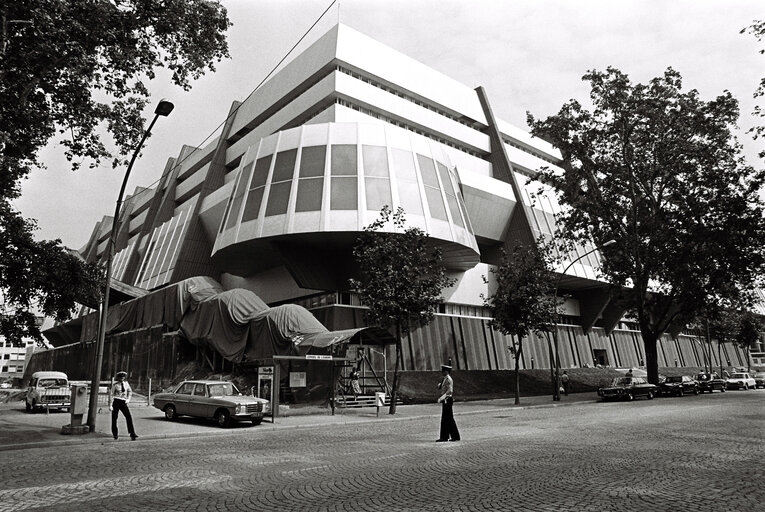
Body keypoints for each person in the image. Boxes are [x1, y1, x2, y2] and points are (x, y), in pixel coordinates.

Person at [436, 364, 460, 442]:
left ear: (446, 371)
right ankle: (454, 436)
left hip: (447, 399)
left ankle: (445, 437)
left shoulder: (448, 379)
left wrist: (441, 398)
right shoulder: (444, 379)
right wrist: (440, 386)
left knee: (446, 418)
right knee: (449, 418)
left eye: (443, 371)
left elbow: (450, 390)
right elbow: (443, 387)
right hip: (446, 400)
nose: (442, 372)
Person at [111, 371, 137, 441]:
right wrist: (110, 405)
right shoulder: (115, 385)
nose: (122, 378)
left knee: (128, 416)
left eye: (123, 377)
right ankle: (115, 433)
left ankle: (132, 433)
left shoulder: (126, 384)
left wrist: (128, 399)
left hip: (123, 402)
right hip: (116, 401)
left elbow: (130, 391)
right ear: (118, 377)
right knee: (114, 418)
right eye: (120, 377)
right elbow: (111, 394)